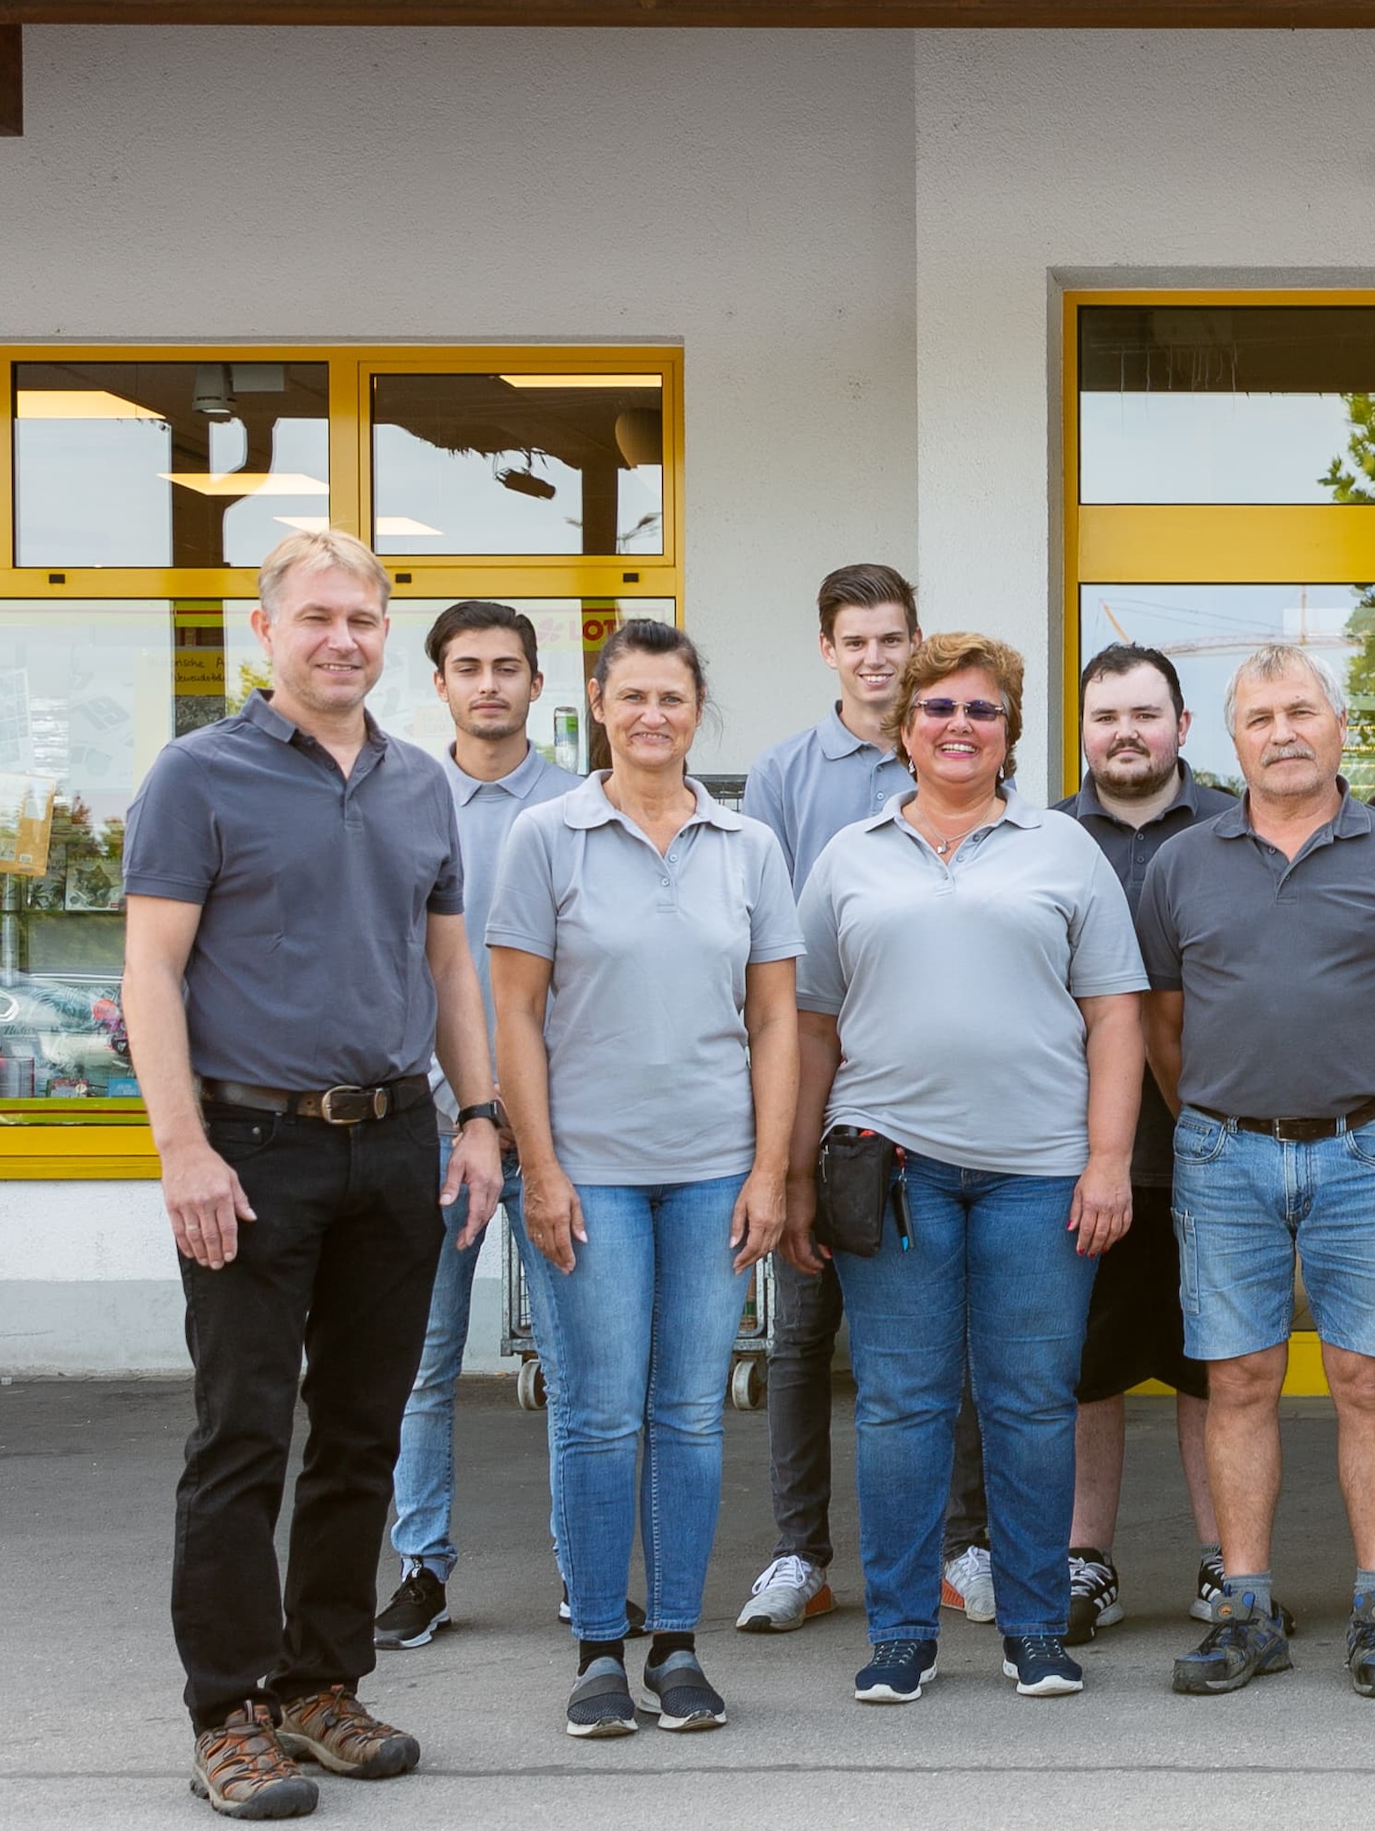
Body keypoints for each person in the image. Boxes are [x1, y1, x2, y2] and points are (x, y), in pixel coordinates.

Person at [128, 525, 503, 1820]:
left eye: (363, 618)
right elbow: (151, 971)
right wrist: (183, 1147)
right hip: (251, 1147)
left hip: (395, 1141)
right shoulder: (199, 775)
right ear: (266, 631)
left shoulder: (415, 784)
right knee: (242, 1433)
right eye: (317, 617)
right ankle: (225, 1712)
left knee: (362, 1433)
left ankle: (320, 1684)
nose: (342, 638)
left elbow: (450, 967)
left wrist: (480, 1118)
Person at [794, 630, 1143, 1704]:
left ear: (1009, 734)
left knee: (1031, 1402)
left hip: (1040, 1173)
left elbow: (1115, 1014)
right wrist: (793, 1171)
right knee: (902, 1404)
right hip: (889, 1167)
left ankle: (1036, 1626)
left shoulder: (1063, 849)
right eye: (937, 708)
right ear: (904, 731)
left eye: (981, 710)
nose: (958, 725)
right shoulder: (847, 855)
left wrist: (1109, 1159)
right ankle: (901, 1631)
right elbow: (809, 1024)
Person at [1141, 648, 1375, 1702]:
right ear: (1230, 739)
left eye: (1301, 711)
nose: (1282, 732)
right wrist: (1211, 1125)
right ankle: (1244, 1606)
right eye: (1259, 718)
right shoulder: (1181, 865)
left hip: (1369, 1153)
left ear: (1339, 728)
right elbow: (1162, 1027)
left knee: (1367, 1382)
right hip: (1222, 1154)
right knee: (1236, 1380)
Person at [483, 619, 802, 1739]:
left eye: (672, 697)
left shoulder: (747, 846)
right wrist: (541, 1163)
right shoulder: (546, 837)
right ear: (599, 705)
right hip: (591, 1178)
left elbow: (773, 1018)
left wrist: (771, 1170)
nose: (653, 716)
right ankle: (596, 1653)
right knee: (595, 1416)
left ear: (696, 709)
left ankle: (676, 1645)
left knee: (691, 1416)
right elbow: (512, 1011)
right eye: (633, 698)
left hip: (714, 1171)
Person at [738, 562, 988, 1638]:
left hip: (934, 1097)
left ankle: (960, 1549)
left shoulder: (960, 746)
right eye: (857, 640)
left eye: (894, 638)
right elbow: (768, 951)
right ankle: (800, 1555)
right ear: (828, 650)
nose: (878, 658)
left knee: (952, 1339)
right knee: (804, 1334)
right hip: (816, 1082)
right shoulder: (785, 773)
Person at [372, 599, 578, 1652]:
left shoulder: (580, 807)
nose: (489, 683)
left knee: (576, 1361)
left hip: (551, 1125)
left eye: (507, 667)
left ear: (538, 685)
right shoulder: (402, 800)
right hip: (432, 1124)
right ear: (440, 685)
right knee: (421, 1359)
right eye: (468, 667)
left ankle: (580, 1573)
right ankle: (421, 1569)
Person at [1059, 643, 1223, 1643]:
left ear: (1181, 728)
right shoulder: (1039, 837)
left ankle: (1222, 1563)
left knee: (1217, 1365)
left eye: (1145, 714)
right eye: (1107, 716)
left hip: (1216, 1146)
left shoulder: (1234, 830)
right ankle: (1085, 1564)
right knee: (1088, 1368)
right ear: (1083, 731)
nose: (1126, 733)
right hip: (1081, 1154)